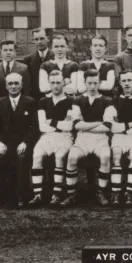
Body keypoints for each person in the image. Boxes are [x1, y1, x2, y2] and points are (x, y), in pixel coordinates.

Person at [60, 69, 112, 207]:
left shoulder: (107, 100)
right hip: (82, 138)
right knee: (72, 157)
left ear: (99, 82)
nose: (93, 86)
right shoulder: (77, 100)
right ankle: (71, 194)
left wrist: (86, 124)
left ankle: (101, 192)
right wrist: (98, 122)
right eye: (90, 83)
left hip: (101, 138)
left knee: (106, 156)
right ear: (85, 83)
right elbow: (76, 125)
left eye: (95, 83)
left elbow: (107, 127)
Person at [0, 73, 37, 209]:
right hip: (5, 143)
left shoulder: (30, 101)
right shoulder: (0, 102)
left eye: (16, 83)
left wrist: (26, 142)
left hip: (23, 142)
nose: (13, 86)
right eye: (10, 83)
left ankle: (22, 195)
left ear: (21, 85)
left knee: (22, 159)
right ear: (6, 86)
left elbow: (34, 127)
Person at [29, 70, 75, 206]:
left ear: (64, 83)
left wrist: (52, 122)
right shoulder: (43, 101)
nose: (56, 86)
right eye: (53, 83)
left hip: (65, 137)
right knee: (37, 155)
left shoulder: (71, 100)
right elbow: (42, 127)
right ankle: (37, 194)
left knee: (60, 156)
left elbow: (69, 126)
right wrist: (59, 125)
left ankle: (56, 193)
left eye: (58, 83)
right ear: (49, 83)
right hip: (47, 136)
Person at [105, 70, 132, 207]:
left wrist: (122, 127)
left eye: (129, 80)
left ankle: (130, 192)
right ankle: (116, 192)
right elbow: (112, 127)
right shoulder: (114, 101)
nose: (126, 83)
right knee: (116, 153)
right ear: (120, 83)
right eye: (123, 81)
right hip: (119, 137)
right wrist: (129, 124)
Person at [24, 28, 54, 101]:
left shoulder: (55, 57)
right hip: (35, 98)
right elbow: (28, 82)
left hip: (53, 96)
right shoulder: (28, 59)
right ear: (33, 41)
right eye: (36, 39)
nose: (39, 42)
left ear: (48, 39)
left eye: (42, 38)